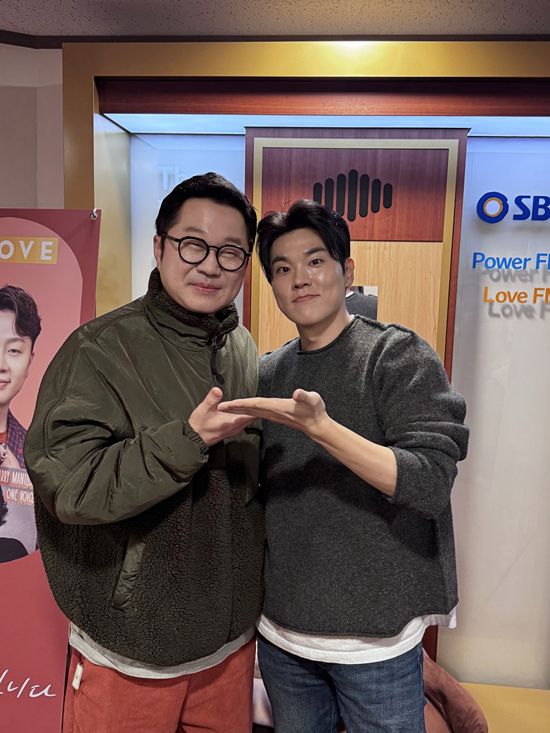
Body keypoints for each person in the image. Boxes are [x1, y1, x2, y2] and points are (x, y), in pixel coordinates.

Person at [24, 173, 264, 733]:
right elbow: (69, 486)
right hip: (130, 649)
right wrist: (188, 440)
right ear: (159, 247)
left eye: (230, 252)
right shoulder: (99, 349)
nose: (210, 265)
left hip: (228, 644)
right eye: (193, 244)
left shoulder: (241, 345)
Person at [219, 199, 469, 733]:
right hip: (283, 635)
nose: (299, 279)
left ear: (346, 270)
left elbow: (429, 482)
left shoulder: (396, 356)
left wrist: (322, 428)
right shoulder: (267, 372)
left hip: (375, 642)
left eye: (315, 261)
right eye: (282, 268)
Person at [0, 284, 41, 470]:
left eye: (14, 350)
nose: (1, 365)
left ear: (29, 362)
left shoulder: (32, 459)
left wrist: (15, 482)